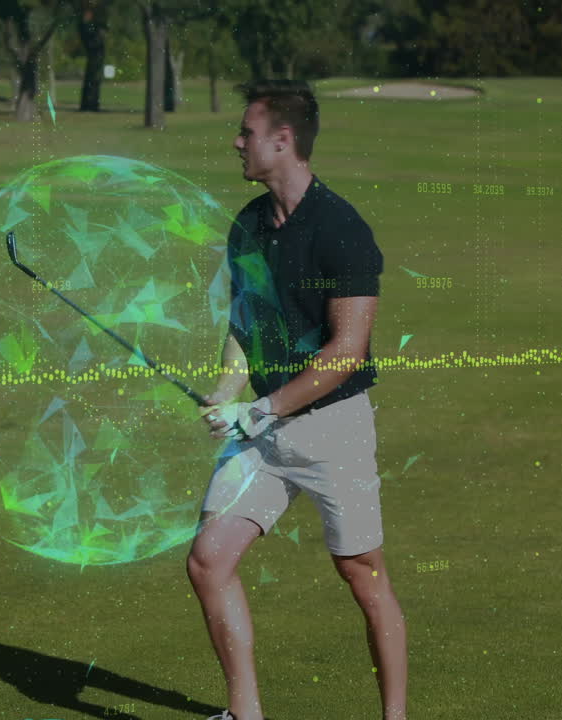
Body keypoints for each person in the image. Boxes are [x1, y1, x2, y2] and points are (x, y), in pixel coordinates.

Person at [189, 80, 408, 720]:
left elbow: (345, 353)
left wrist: (256, 409)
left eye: (247, 133)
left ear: (282, 142)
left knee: (363, 576)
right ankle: (245, 714)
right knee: (208, 561)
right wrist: (228, 389)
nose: (237, 141)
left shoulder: (343, 230)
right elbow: (244, 322)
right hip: (264, 434)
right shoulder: (249, 224)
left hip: (332, 430)